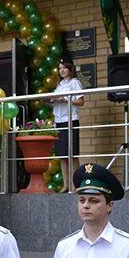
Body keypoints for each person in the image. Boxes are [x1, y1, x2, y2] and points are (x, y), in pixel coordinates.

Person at [49, 57, 85, 192]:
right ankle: (66, 185)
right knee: (62, 155)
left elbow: (81, 102)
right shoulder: (60, 85)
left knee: (72, 153)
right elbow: (56, 100)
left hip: (70, 119)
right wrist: (50, 100)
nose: (62, 71)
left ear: (70, 68)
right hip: (59, 120)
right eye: (59, 69)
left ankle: (77, 185)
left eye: (64, 68)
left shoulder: (75, 82)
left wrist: (66, 100)